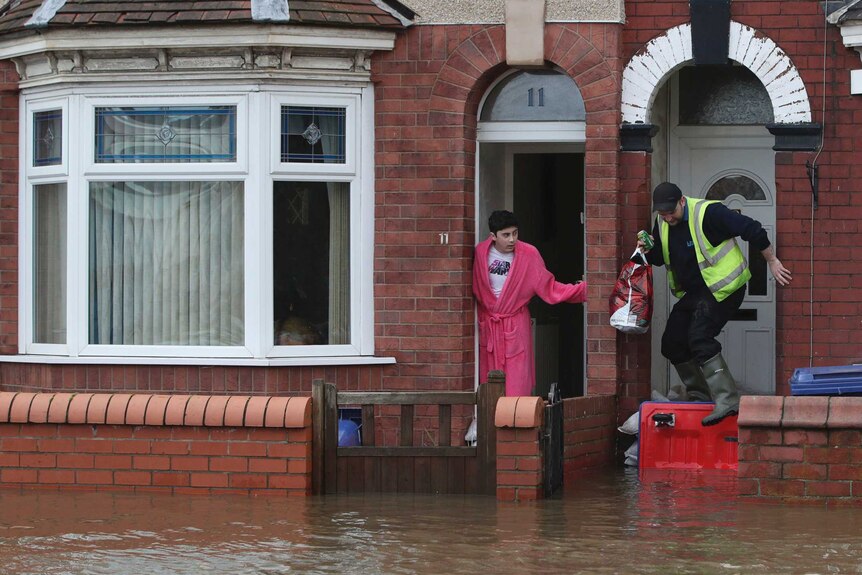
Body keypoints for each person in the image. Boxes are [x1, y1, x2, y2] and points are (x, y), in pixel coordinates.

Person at [638, 182, 792, 425]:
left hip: (726, 288)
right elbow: (660, 258)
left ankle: (727, 398)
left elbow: (752, 229)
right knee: (672, 343)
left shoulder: (709, 213)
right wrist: (648, 249)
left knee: (699, 337)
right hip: (696, 293)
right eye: (662, 213)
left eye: (671, 212)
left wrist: (771, 261)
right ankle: (701, 396)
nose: (667, 218)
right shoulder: (662, 223)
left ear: (682, 201)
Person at [473, 210, 587, 397]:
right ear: (493, 236)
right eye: (506, 235)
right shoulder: (480, 253)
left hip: (514, 323)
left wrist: (584, 290)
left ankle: (516, 422)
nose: (512, 239)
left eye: (515, 233)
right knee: (488, 384)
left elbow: (549, 287)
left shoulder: (528, 254)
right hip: (490, 326)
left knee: (517, 381)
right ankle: (489, 423)